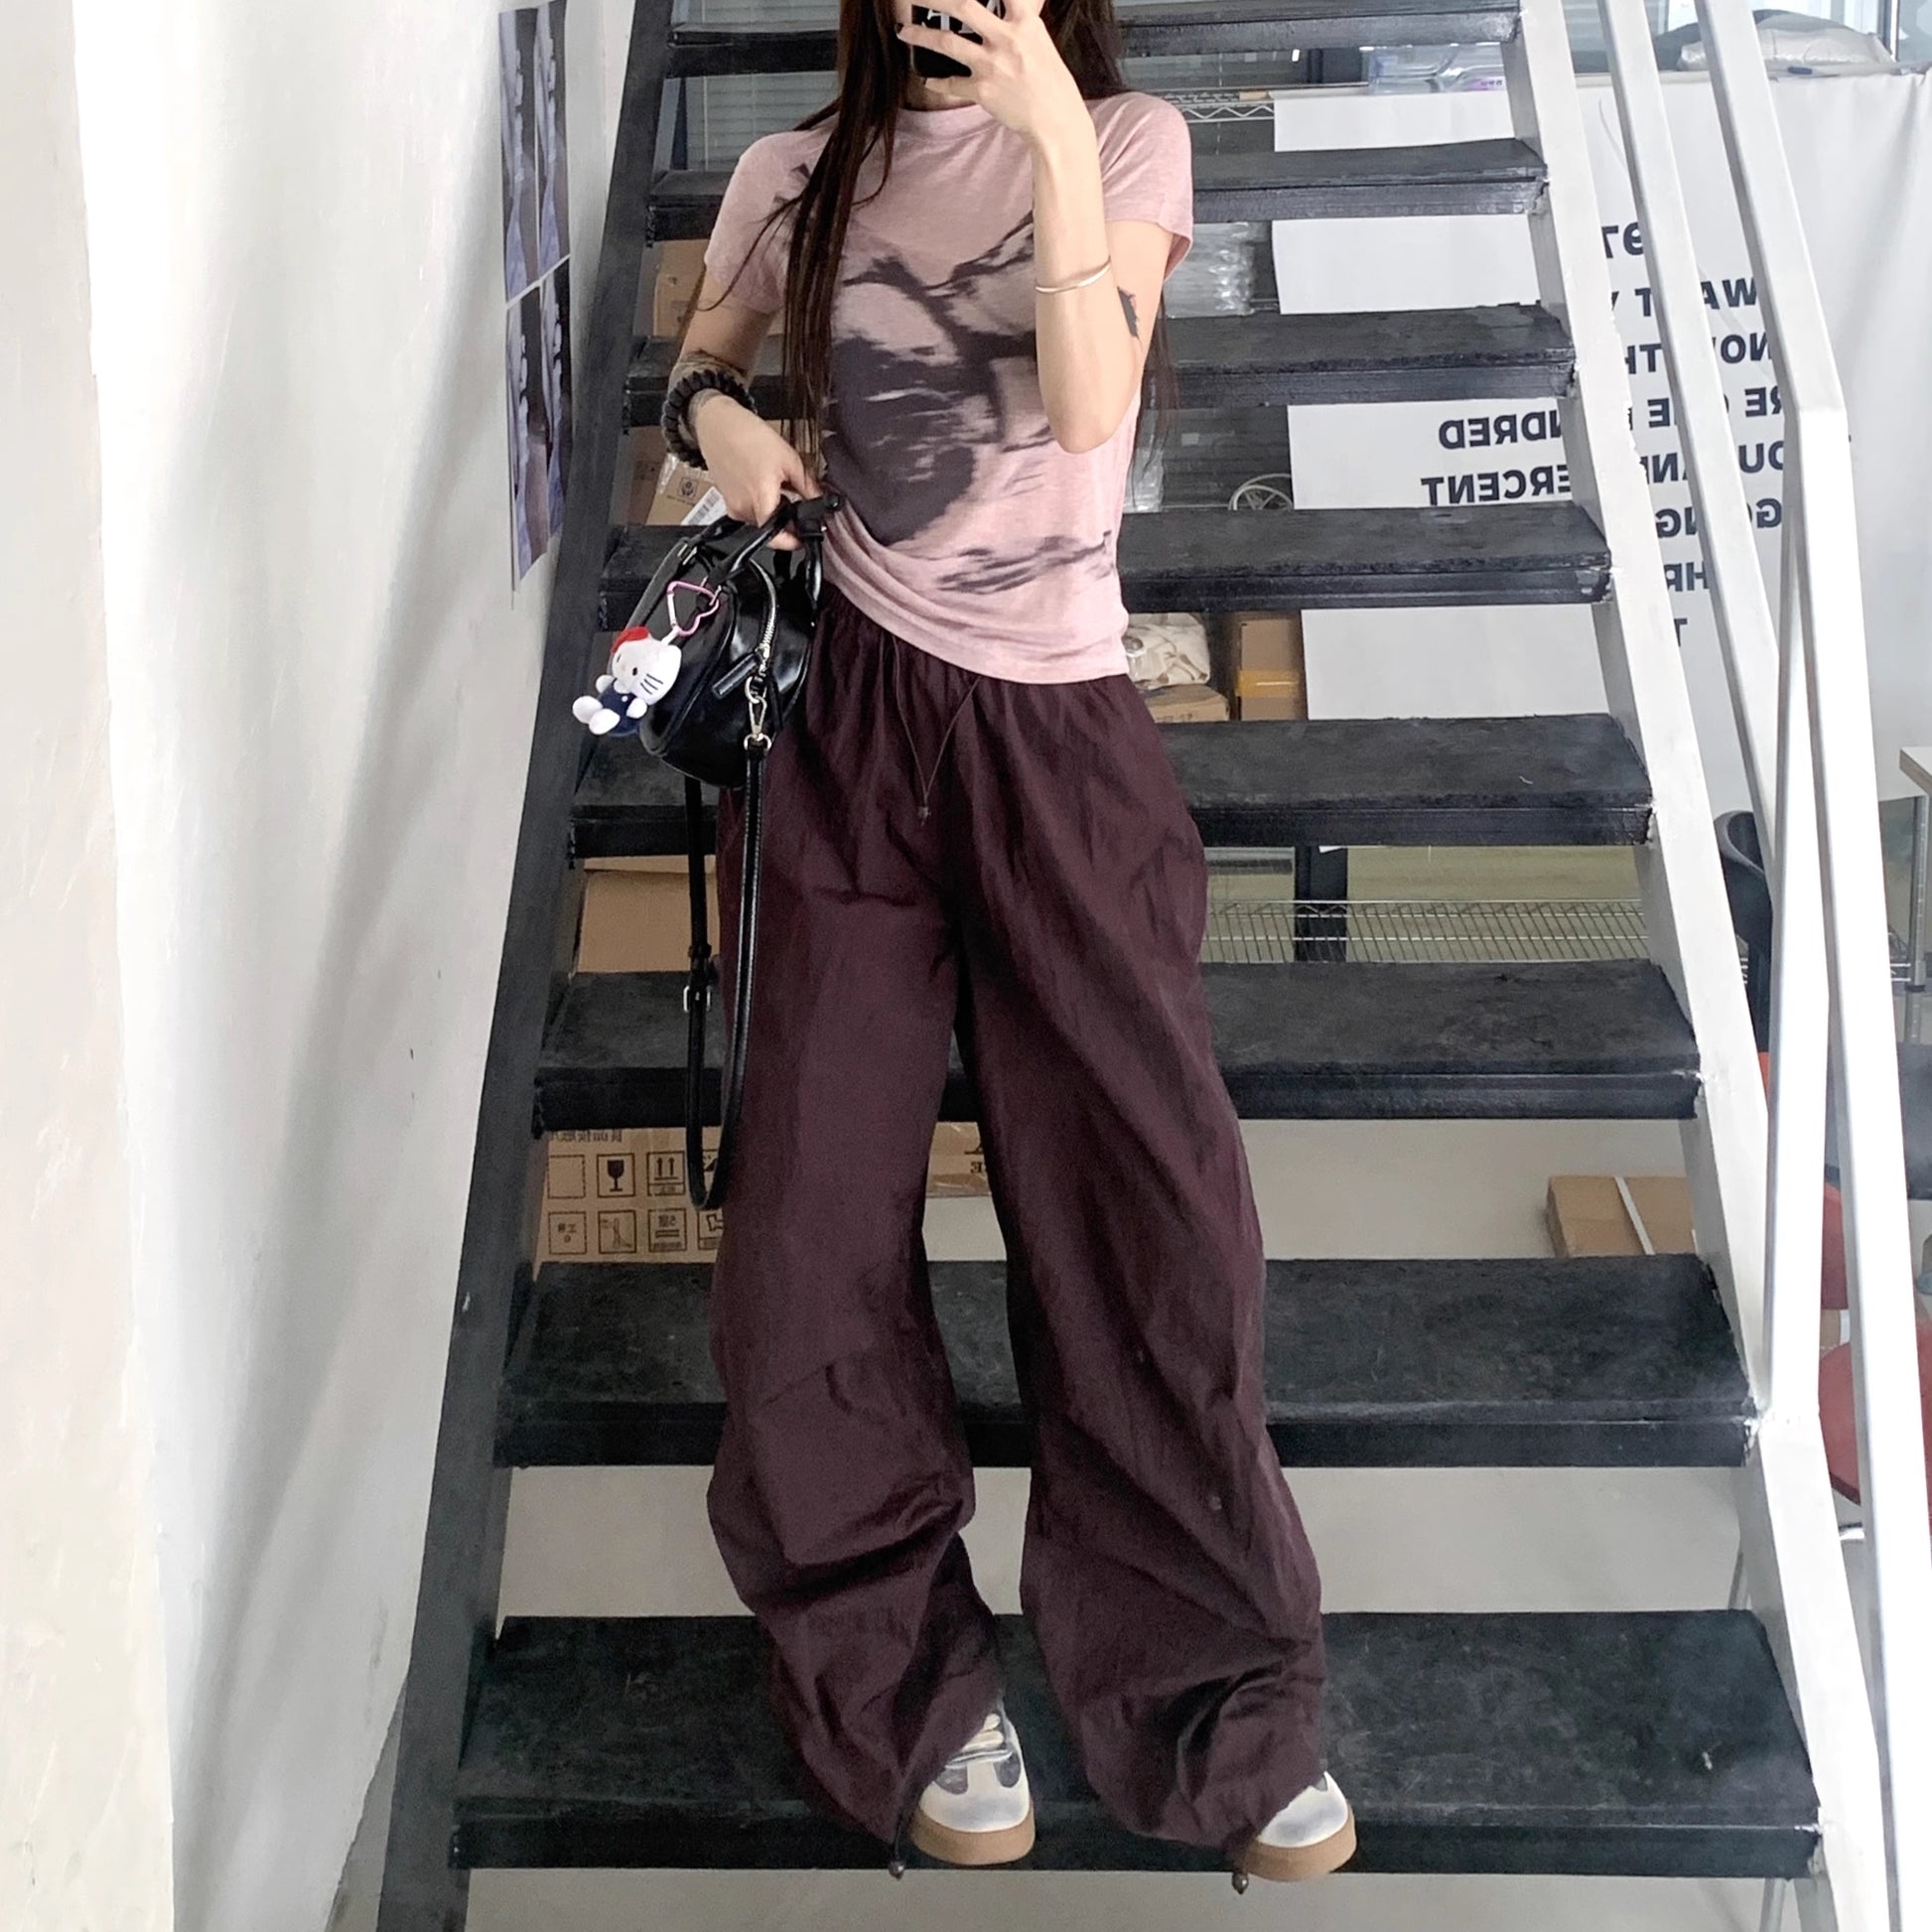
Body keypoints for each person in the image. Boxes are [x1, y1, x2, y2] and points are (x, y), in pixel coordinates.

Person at [655, 0, 1349, 1882]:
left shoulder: (1125, 145)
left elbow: (1091, 401)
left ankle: (1214, 1690)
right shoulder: (792, 170)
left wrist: (1045, 126)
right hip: (842, 726)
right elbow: (697, 362)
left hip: (1054, 733)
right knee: (807, 1220)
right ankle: (894, 1678)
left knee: (1146, 1211)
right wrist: (723, 421)